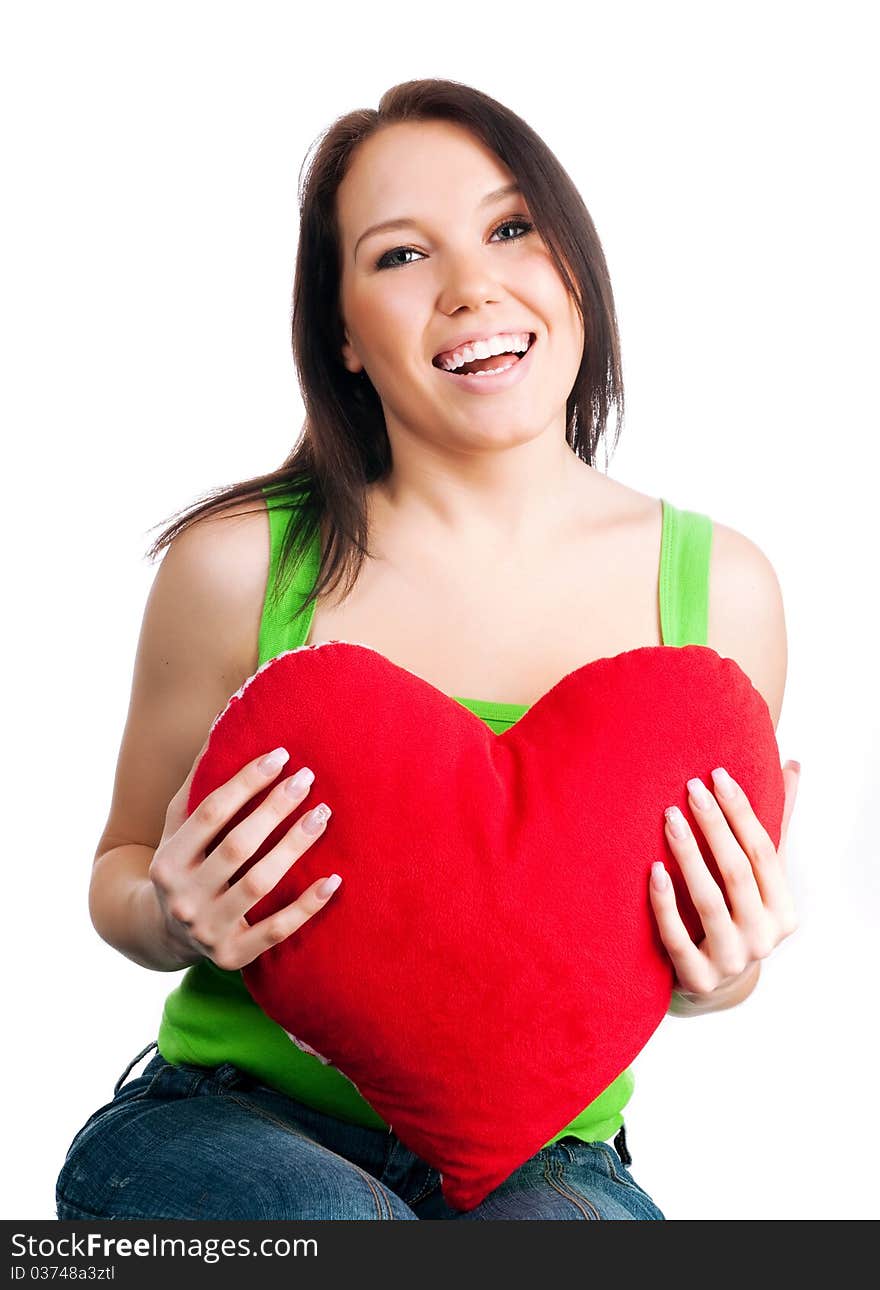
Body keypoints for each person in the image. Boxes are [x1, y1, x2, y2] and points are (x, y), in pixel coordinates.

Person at [55, 78, 799, 1222]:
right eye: (401, 255)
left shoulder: (718, 592)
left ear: (574, 272)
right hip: (227, 1121)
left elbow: (689, 963)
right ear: (343, 334)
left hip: (552, 1162)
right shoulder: (237, 567)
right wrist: (166, 911)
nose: (470, 287)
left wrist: (727, 966)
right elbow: (120, 870)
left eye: (511, 229)